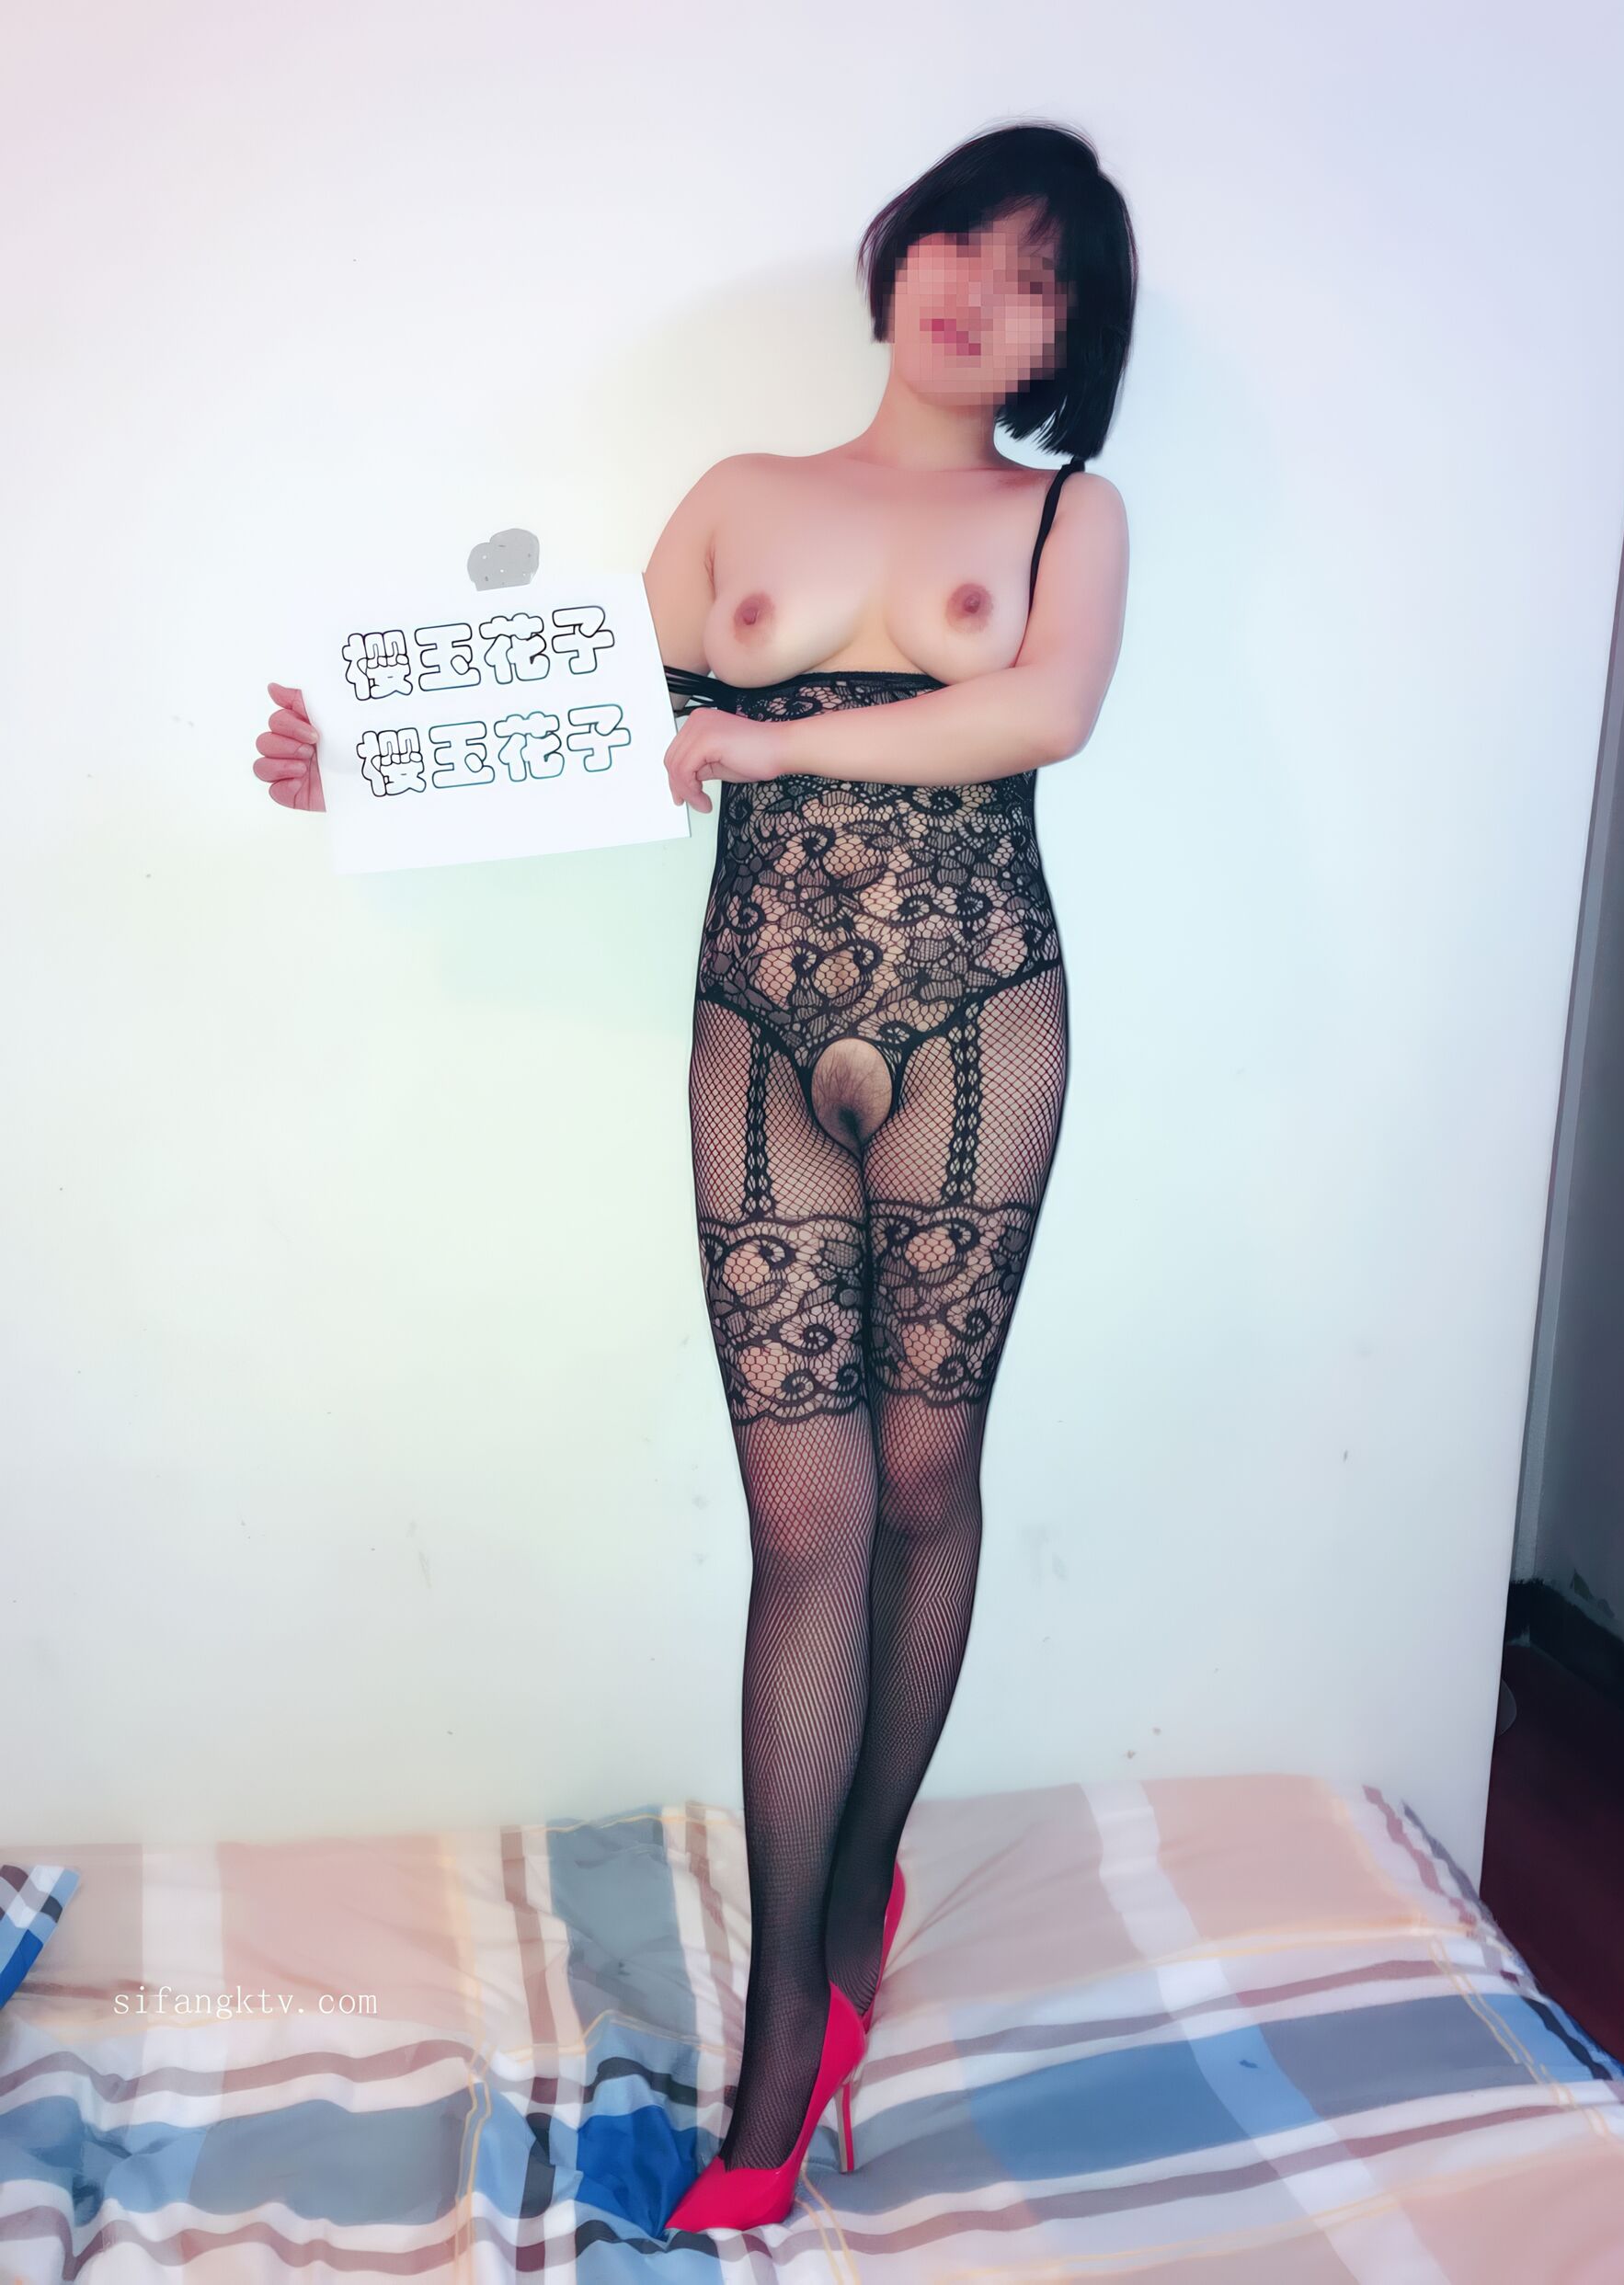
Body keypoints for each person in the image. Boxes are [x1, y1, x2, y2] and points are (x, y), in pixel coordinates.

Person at [251, 116, 1134, 2239]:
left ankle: (837, 1927)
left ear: (1064, 343)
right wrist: (363, 767)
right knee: (802, 1523)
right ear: (901, 249)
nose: (980, 292)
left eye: (1038, 279)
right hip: (758, 1032)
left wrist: (777, 736)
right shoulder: (739, 496)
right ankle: (789, 2019)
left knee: (925, 1475)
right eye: (966, 240)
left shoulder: (1065, 515)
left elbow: (1041, 715)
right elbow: (589, 722)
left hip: (974, 1020)